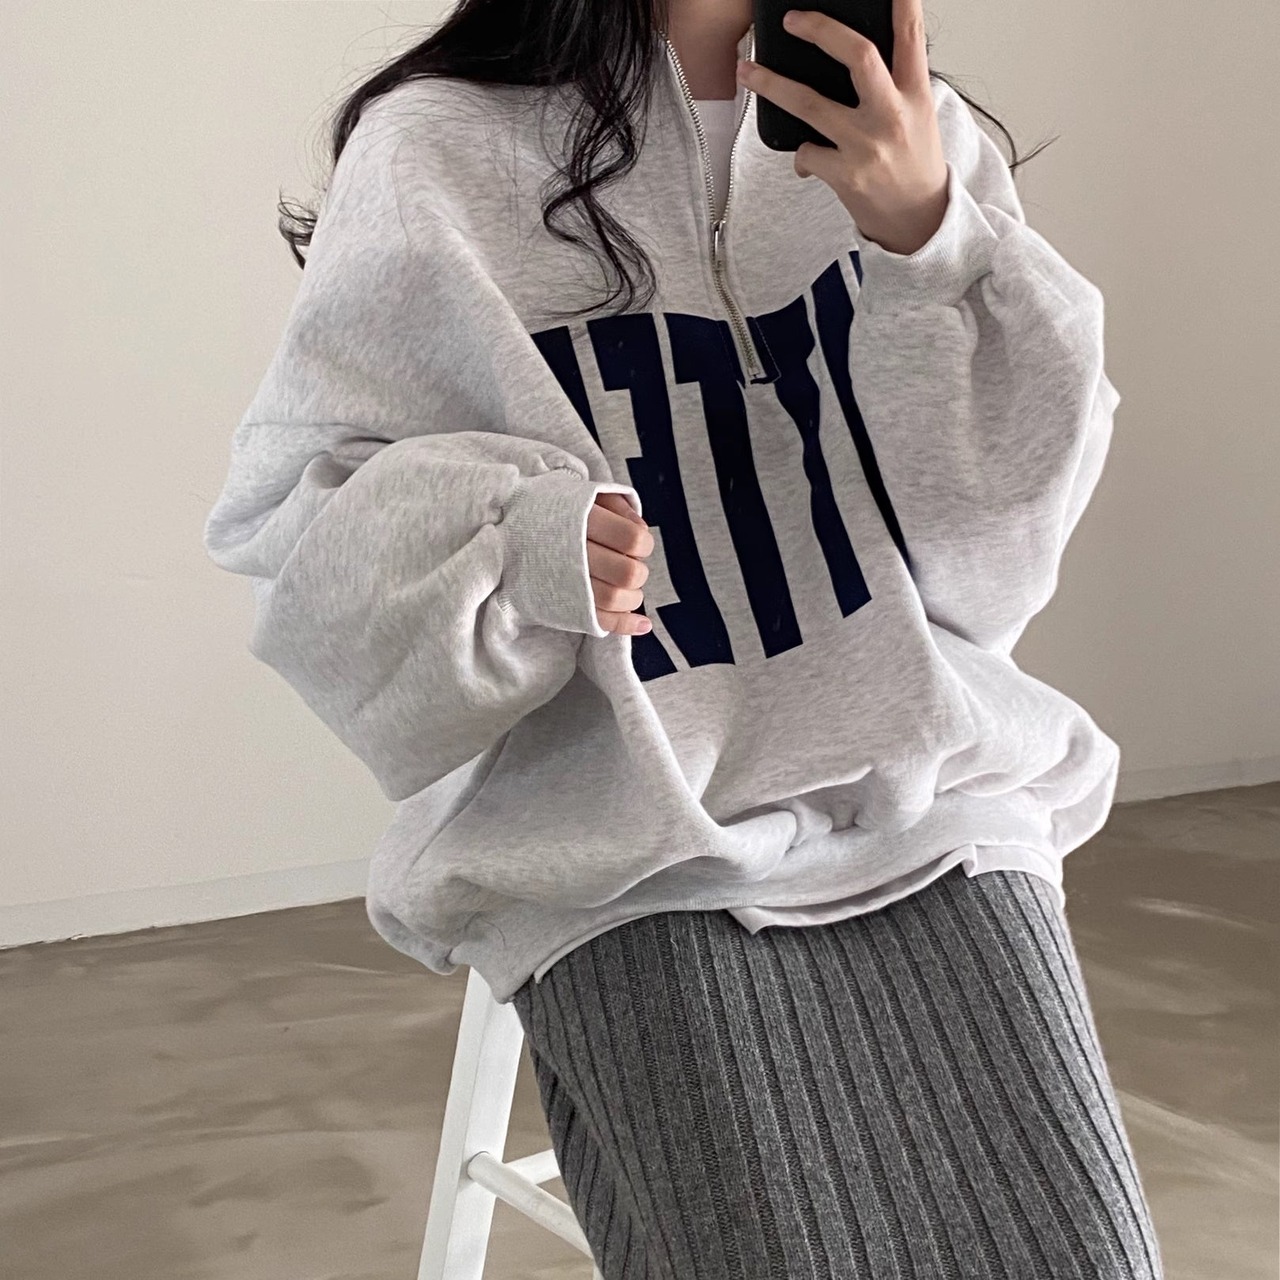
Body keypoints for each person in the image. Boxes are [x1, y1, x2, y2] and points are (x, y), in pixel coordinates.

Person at [203, 0, 1165, 1273]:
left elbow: (986, 564)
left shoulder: (906, 126)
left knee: (1086, 1254)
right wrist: (518, 540)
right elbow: (301, 532)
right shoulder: (432, 149)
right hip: (629, 836)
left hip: (928, 792)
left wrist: (926, 237)